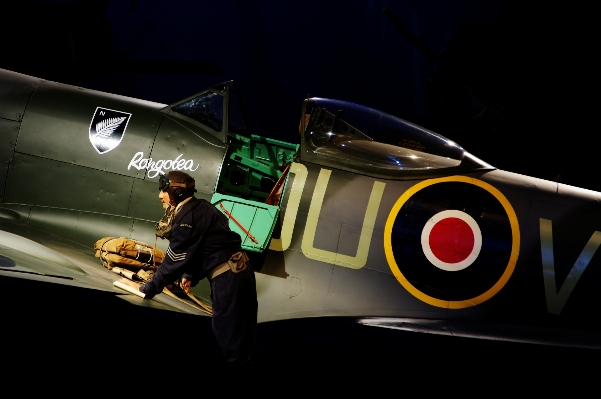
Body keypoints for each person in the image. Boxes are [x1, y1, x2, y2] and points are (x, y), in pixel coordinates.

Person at [139, 171, 257, 365]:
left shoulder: (187, 217)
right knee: (242, 336)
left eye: (164, 190)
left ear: (176, 193)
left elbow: (173, 261)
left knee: (229, 337)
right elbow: (213, 243)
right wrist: (193, 275)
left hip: (228, 280)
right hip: (240, 272)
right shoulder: (203, 207)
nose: (160, 195)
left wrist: (149, 287)